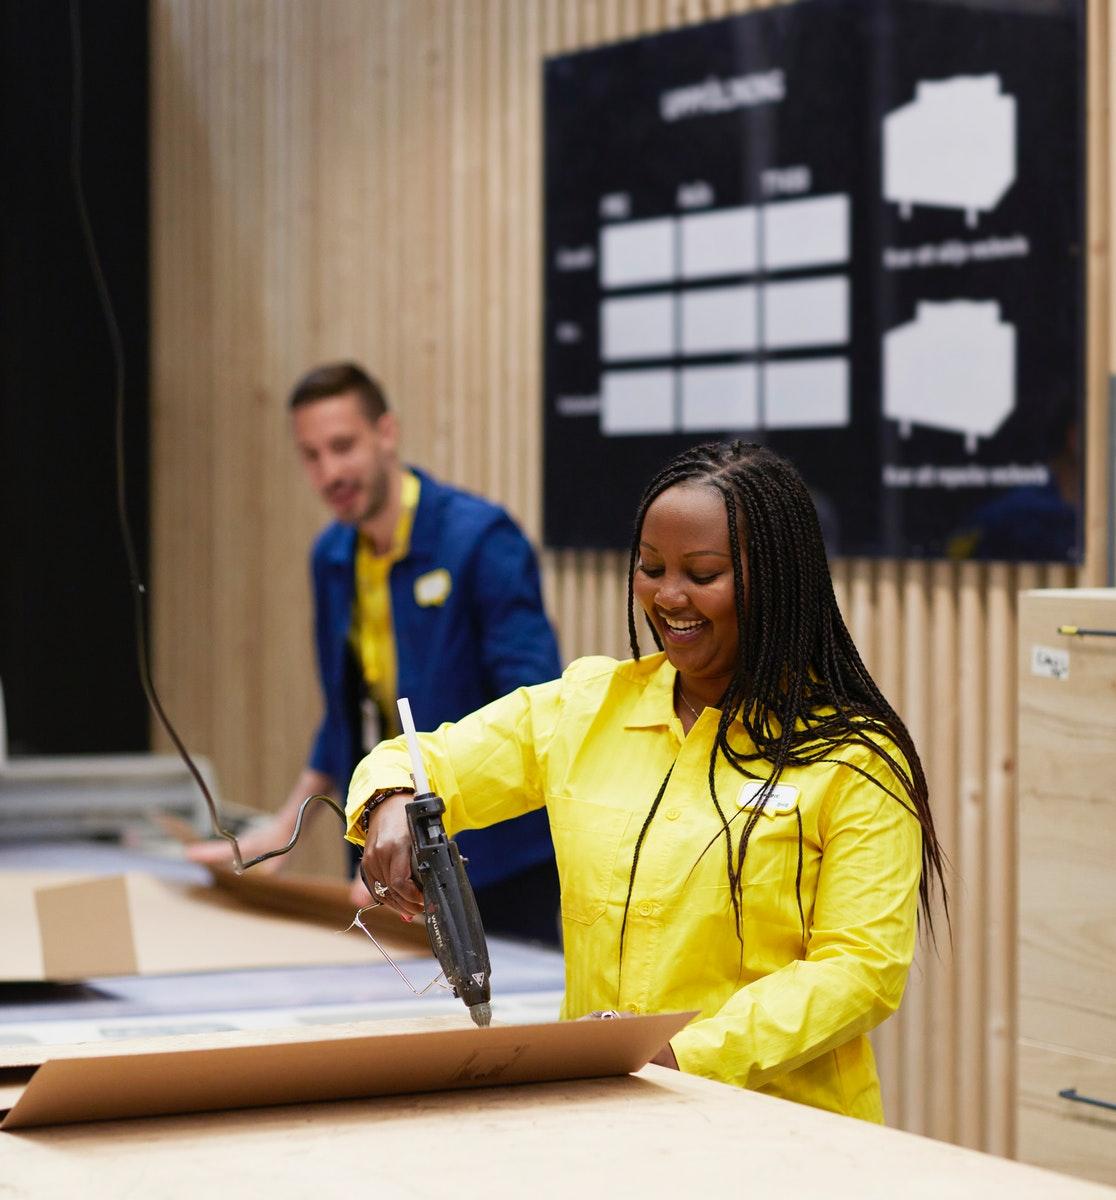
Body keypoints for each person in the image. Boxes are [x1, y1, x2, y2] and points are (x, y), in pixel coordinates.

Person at [349, 440, 947, 1121]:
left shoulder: (856, 760)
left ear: (778, 580)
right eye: (651, 568)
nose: (668, 597)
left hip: (780, 1133)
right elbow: (430, 758)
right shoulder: (587, 706)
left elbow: (859, 972)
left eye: (703, 573)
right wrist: (394, 801)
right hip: (602, 1117)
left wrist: (678, 1053)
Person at [189, 362, 562, 945]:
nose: (328, 471)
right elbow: (342, 718)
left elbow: (535, 704)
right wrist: (282, 831)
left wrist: (421, 836)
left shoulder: (481, 540)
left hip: (498, 862)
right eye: (310, 455)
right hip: (391, 852)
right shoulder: (333, 556)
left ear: (385, 433)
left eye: (342, 446)